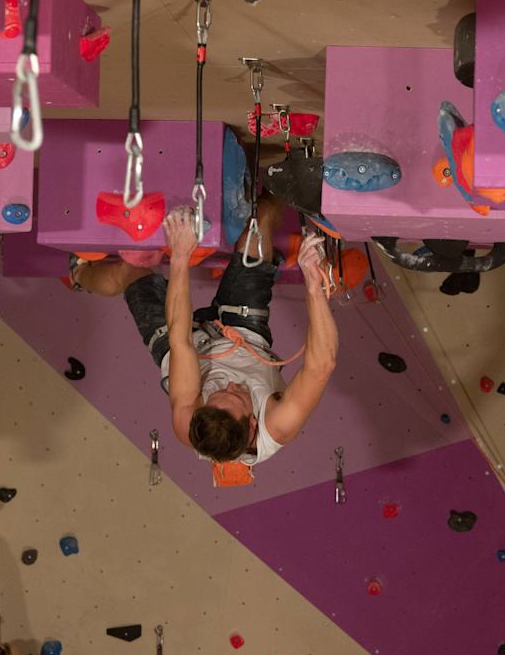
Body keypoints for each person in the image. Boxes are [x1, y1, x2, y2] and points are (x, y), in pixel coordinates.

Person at [69, 195, 338, 469]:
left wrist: (180, 256)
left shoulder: (187, 420)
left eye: (217, 394)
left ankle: (77, 275)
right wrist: (314, 286)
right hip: (244, 335)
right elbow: (322, 365)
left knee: (131, 272)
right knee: (263, 215)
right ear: (253, 423)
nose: (230, 384)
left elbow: (181, 340)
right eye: (236, 395)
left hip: (187, 350)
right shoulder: (277, 424)